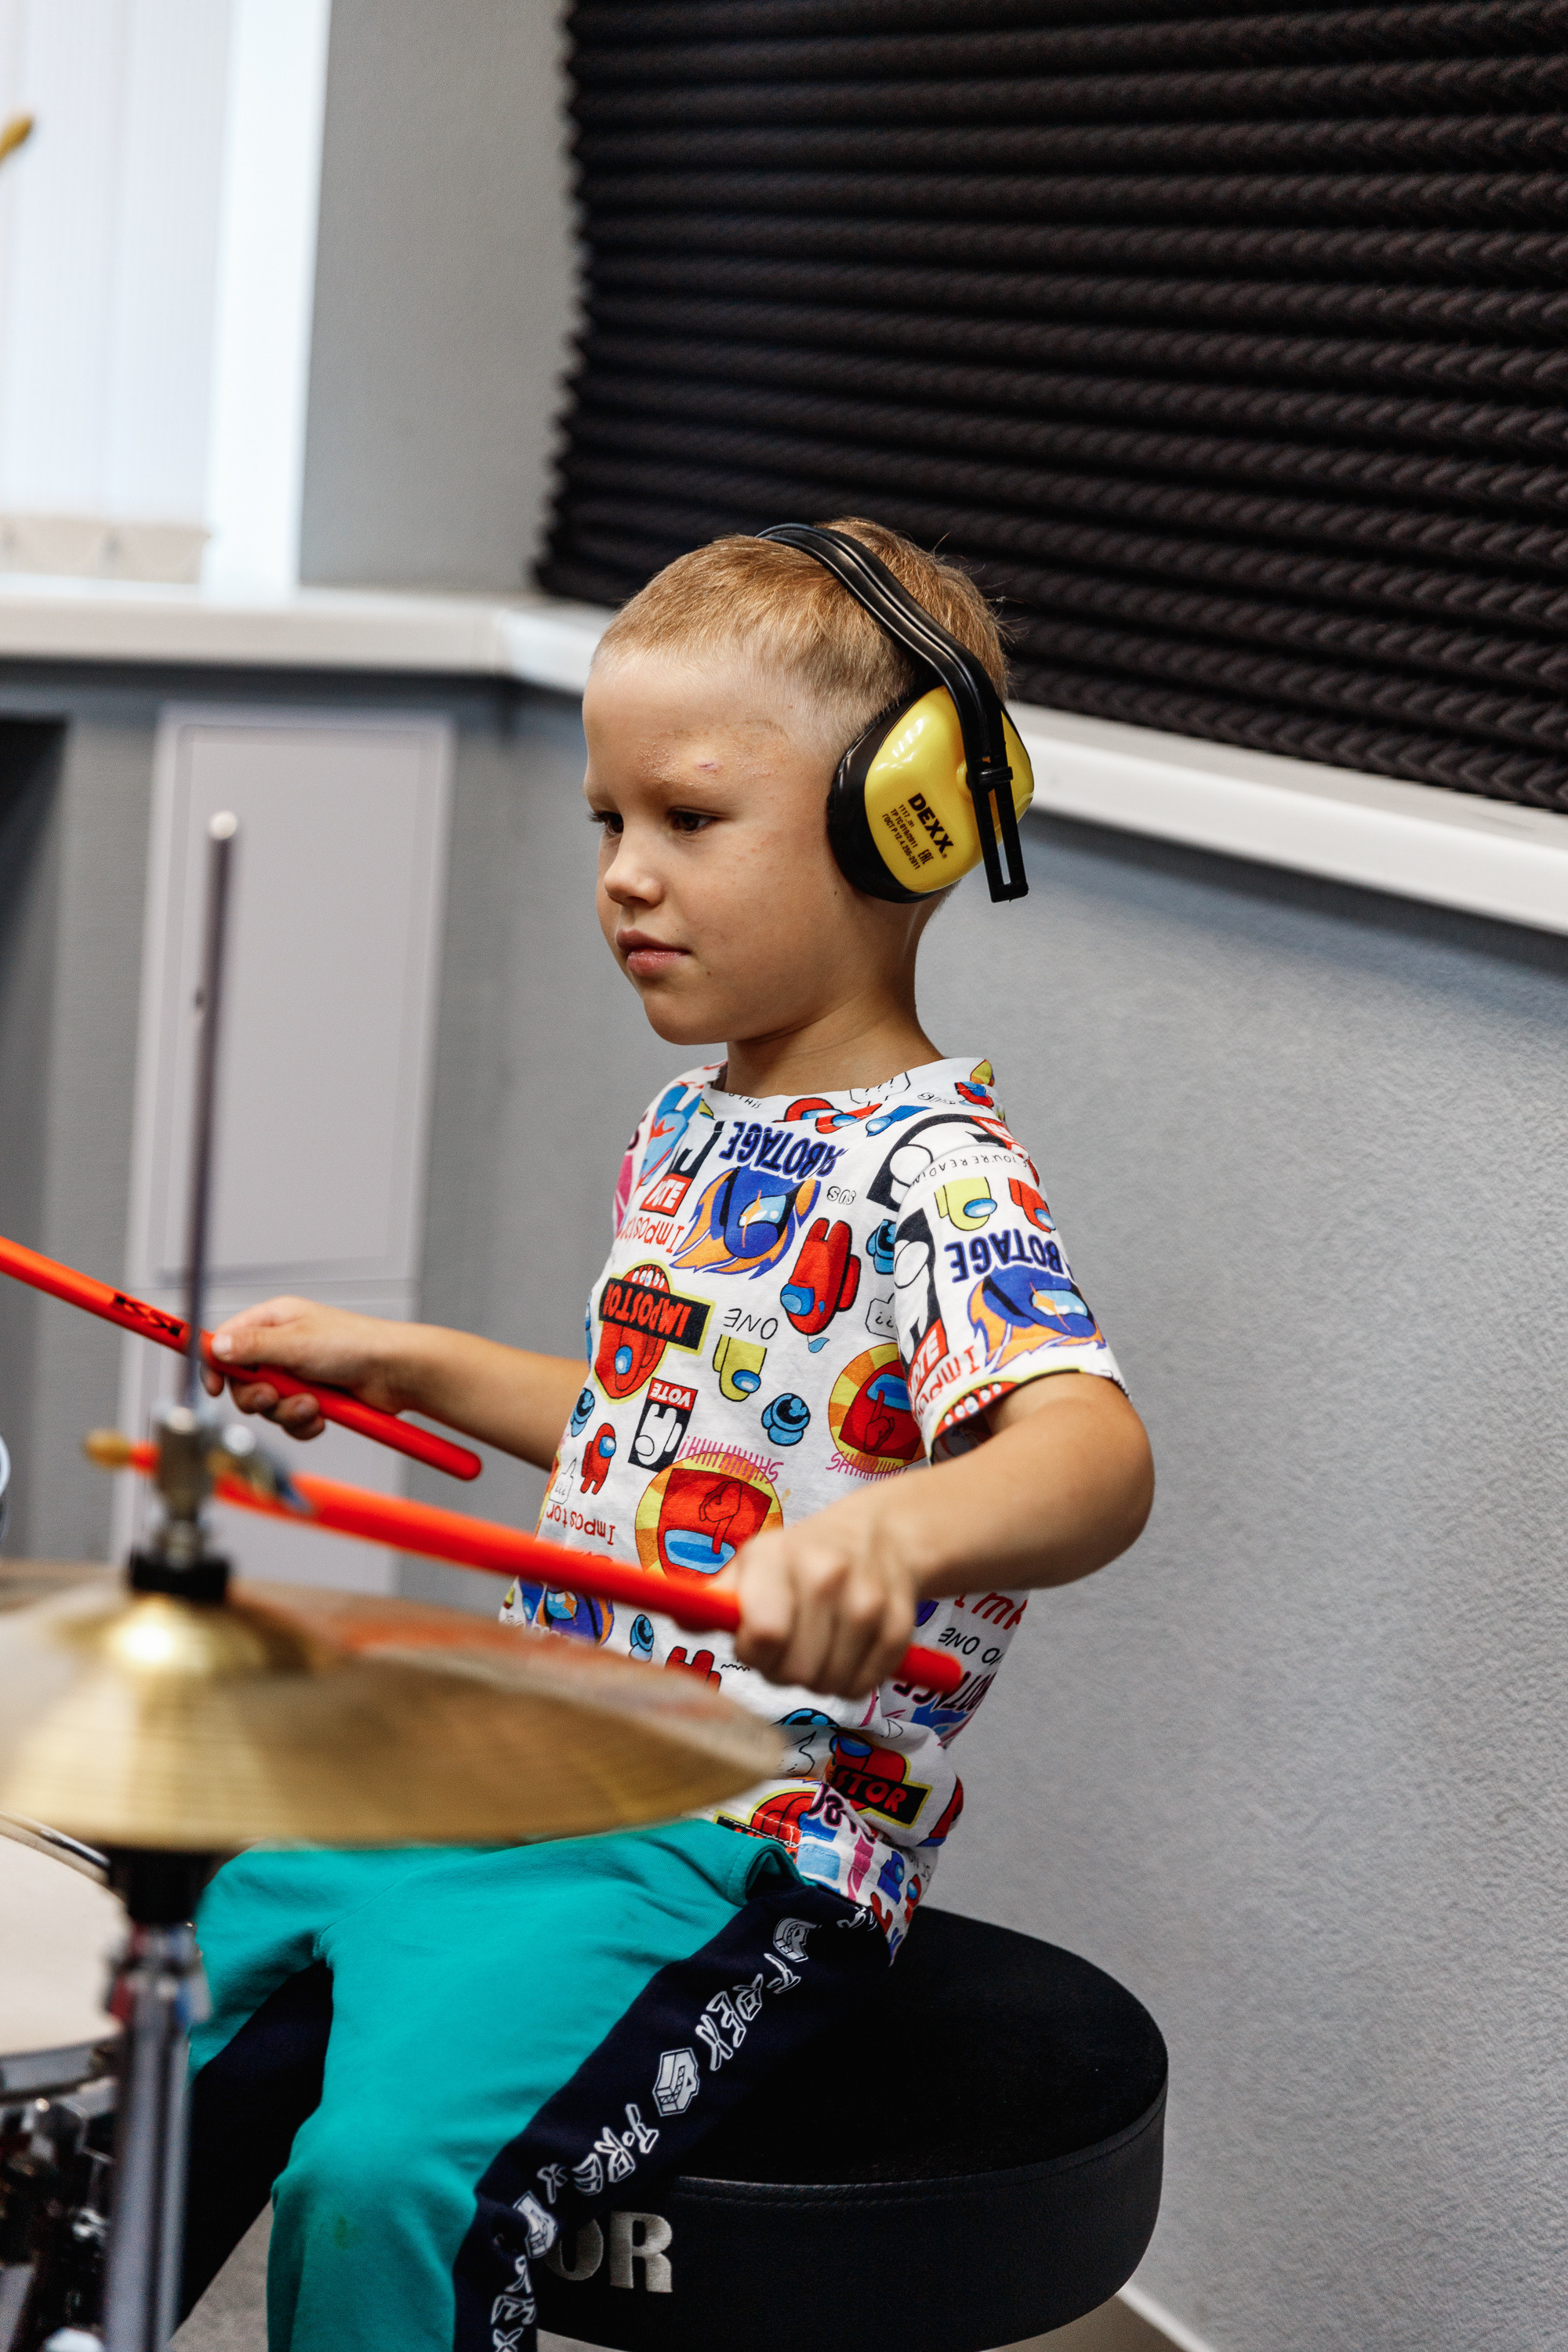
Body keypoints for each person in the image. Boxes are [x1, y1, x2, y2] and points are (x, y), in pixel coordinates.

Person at [186, 517, 1155, 2352]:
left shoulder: (937, 1175)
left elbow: (1089, 1455)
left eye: (689, 818)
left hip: (730, 1834)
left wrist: (897, 1533)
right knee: (158, 2009)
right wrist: (408, 1364)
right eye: (606, 822)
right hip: (530, 1756)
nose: (625, 874)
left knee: (383, 2180)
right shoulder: (689, 1129)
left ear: (900, 827)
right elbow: (652, 1441)